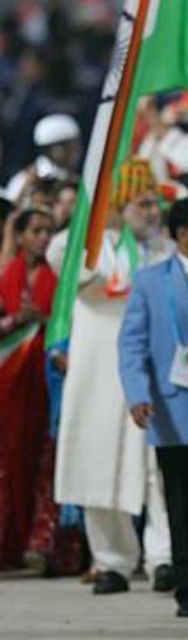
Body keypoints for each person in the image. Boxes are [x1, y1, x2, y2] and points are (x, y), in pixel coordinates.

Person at [51, 160, 174, 595]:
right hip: (99, 374)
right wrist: (93, 215)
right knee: (98, 460)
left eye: (154, 202)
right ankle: (112, 562)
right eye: (142, 201)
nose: (152, 210)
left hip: (150, 369)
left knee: (160, 467)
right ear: (120, 203)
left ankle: (164, 558)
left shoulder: (162, 249)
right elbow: (68, 268)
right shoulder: (86, 243)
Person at [118, 197, 188, 617]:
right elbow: (132, 343)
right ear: (182, 232)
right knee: (180, 502)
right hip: (170, 405)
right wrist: (138, 393)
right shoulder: (149, 281)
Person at [0, 208, 69, 571]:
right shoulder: (7, 275)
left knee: (46, 454)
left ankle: (42, 544)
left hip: (45, 377)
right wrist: (16, 320)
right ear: (22, 235)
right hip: (10, 380)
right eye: (36, 230)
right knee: (10, 458)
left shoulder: (57, 276)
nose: (43, 237)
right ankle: (8, 540)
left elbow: (65, 321)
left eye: (48, 230)